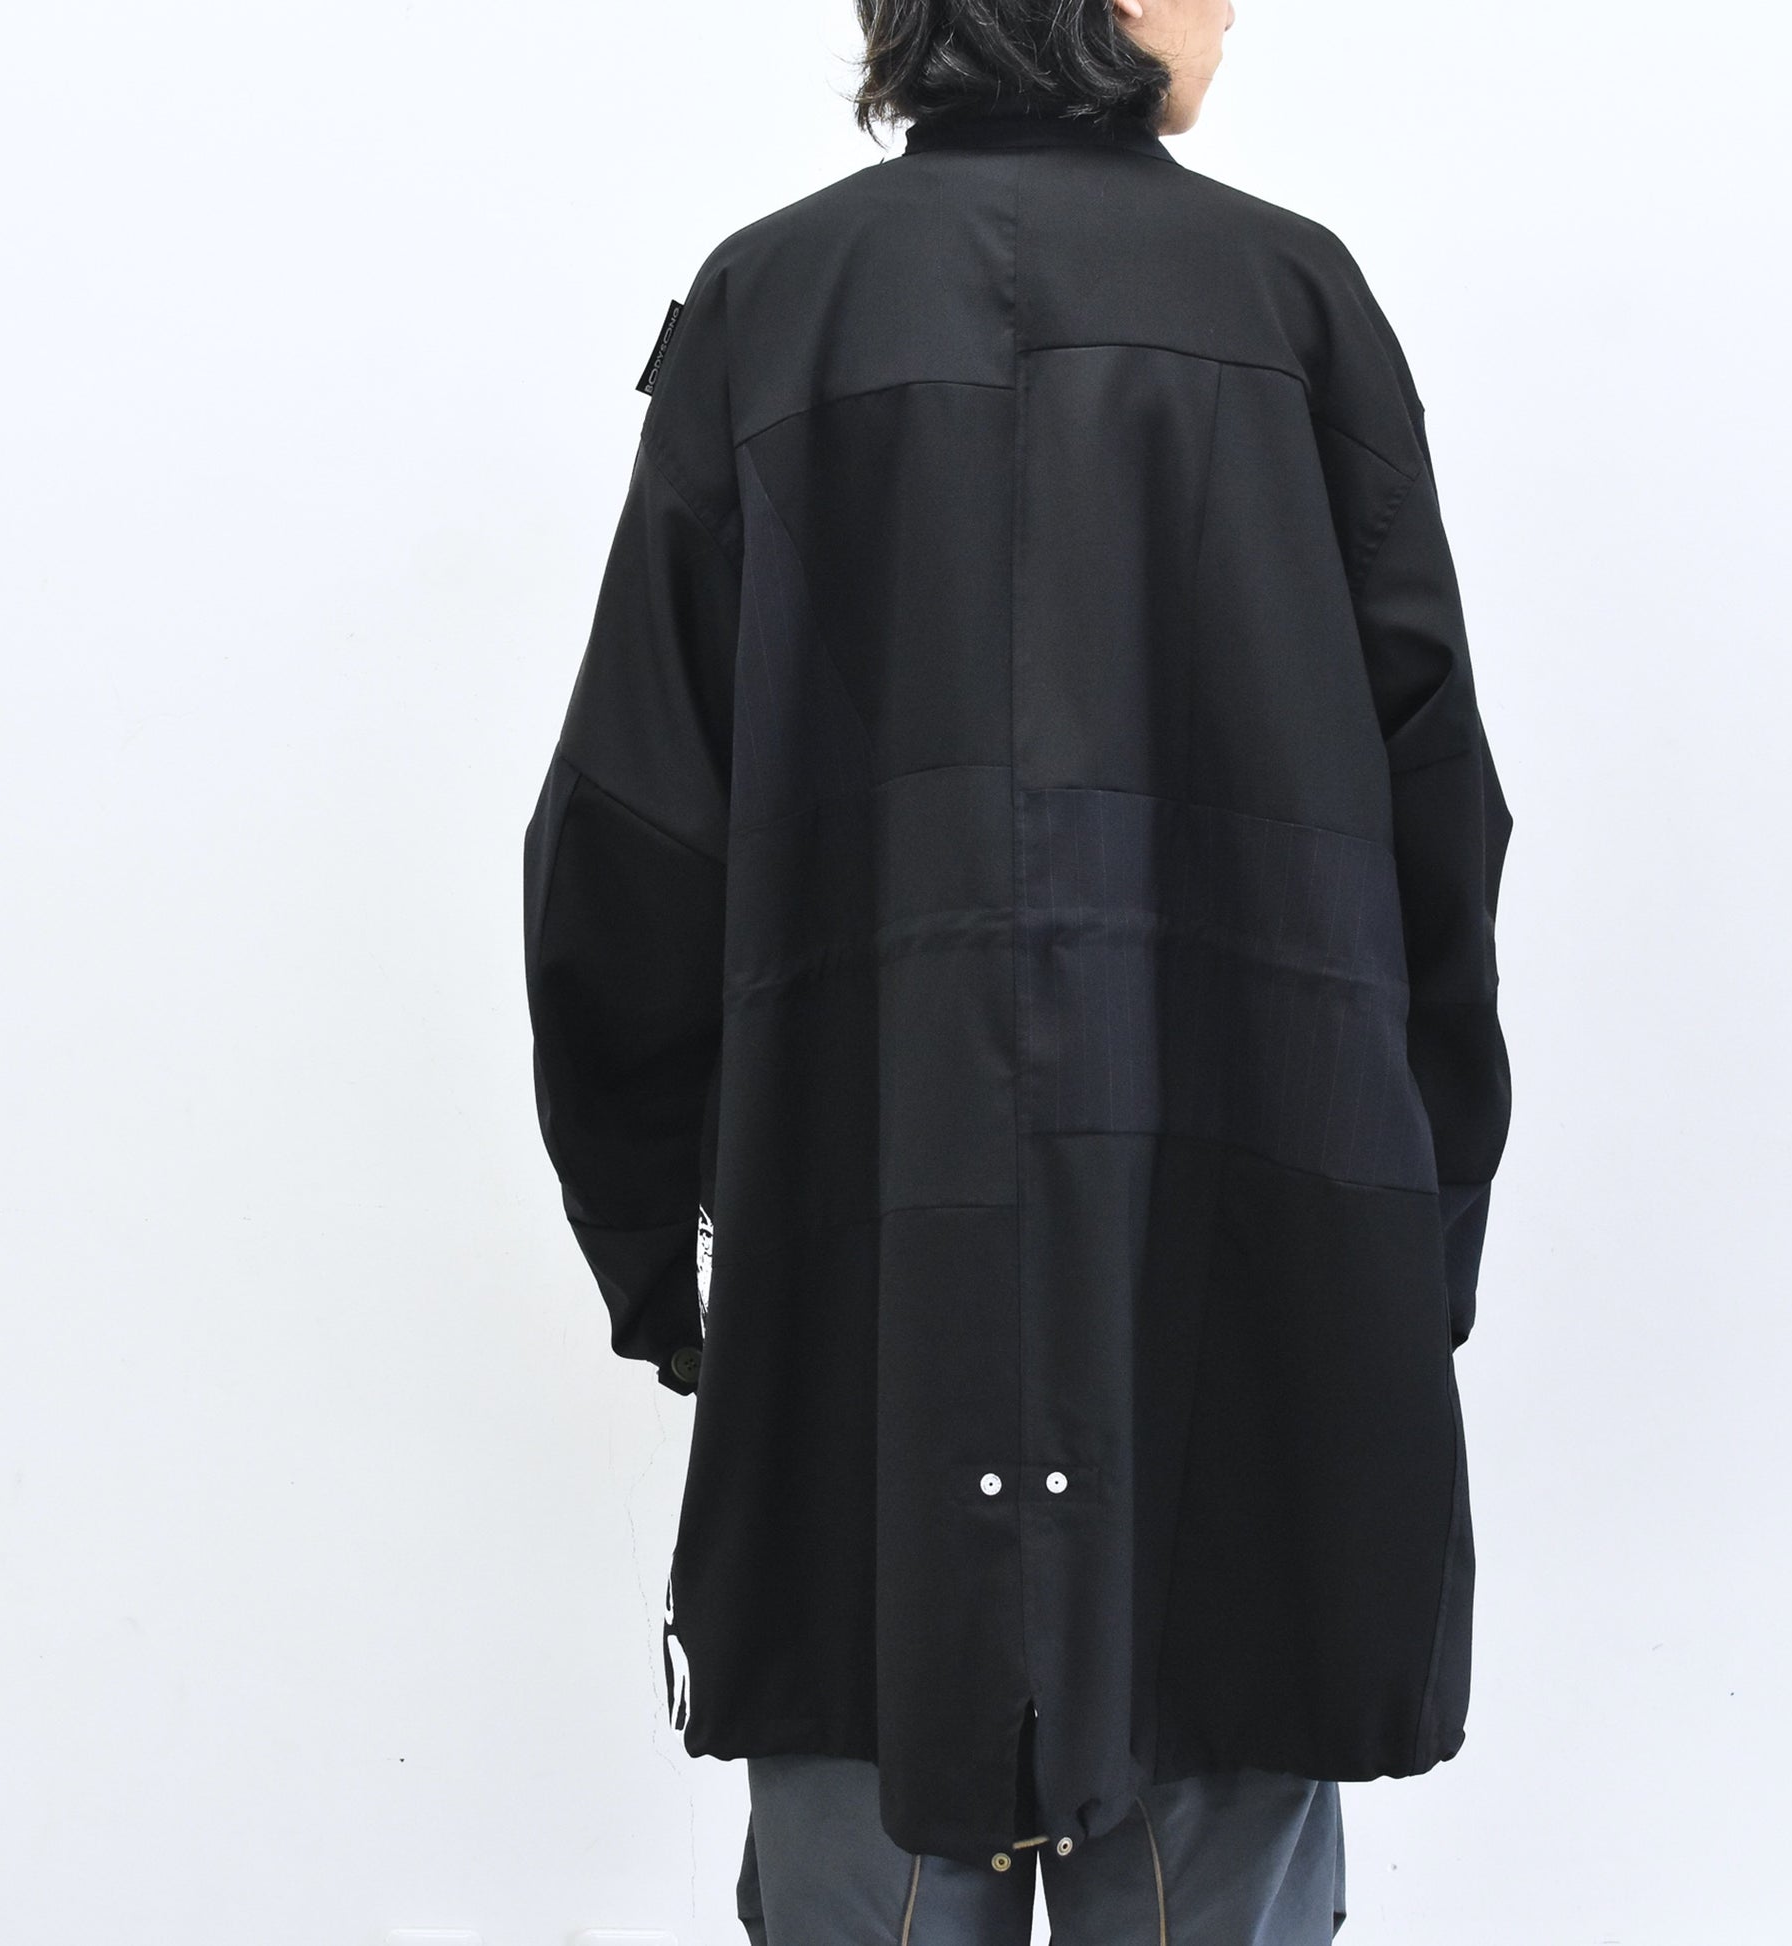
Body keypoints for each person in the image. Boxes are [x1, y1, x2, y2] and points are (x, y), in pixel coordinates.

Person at [522, 0, 1511, 1935]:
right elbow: (1434, 831)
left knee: (870, 1780)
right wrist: (1413, 1242)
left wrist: (663, 1262)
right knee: (1212, 1798)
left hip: (861, 1280)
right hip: (1251, 1281)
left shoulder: (770, 303)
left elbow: (625, 836)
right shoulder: (1290, 303)